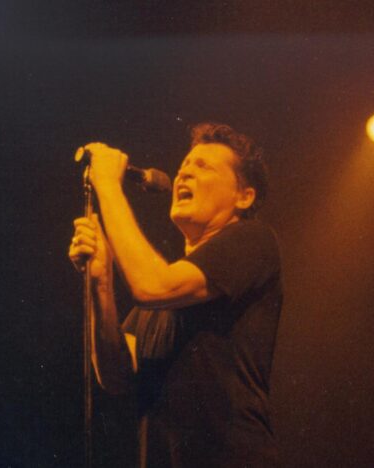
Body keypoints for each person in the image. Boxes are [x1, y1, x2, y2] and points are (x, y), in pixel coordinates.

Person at [69, 123, 283, 467]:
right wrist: (102, 283)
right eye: (184, 165)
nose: (184, 173)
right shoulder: (162, 301)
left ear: (244, 197)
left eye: (203, 166)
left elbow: (151, 285)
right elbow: (115, 376)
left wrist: (108, 185)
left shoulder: (254, 241)